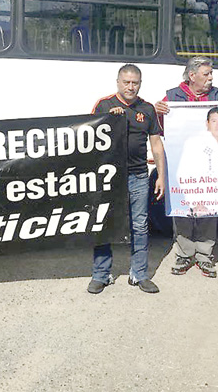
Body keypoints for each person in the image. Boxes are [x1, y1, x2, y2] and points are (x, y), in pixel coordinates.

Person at [156, 56, 218, 279]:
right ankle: (185, 254)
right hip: (185, 165)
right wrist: (158, 111)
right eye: (206, 74)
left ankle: (205, 254)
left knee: (209, 210)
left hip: (212, 171)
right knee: (183, 210)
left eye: (211, 74)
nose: (211, 78)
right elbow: (159, 128)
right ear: (192, 75)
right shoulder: (173, 96)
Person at [88, 64, 166, 294]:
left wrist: (161, 176)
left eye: (135, 83)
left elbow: (156, 144)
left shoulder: (147, 109)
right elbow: (89, 139)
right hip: (110, 177)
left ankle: (139, 274)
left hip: (139, 175)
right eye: (126, 82)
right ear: (118, 82)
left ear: (140, 84)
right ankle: (101, 275)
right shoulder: (104, 105)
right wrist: (107, 120)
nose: (130, 87)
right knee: (104, 224)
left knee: (140, 226)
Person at [175, 107, 218, 216]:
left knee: (212, 227)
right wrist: (195, 201)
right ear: (207, 123)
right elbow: (183, 173)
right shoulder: (195, 142)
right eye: (214, 121)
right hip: (199, 205)